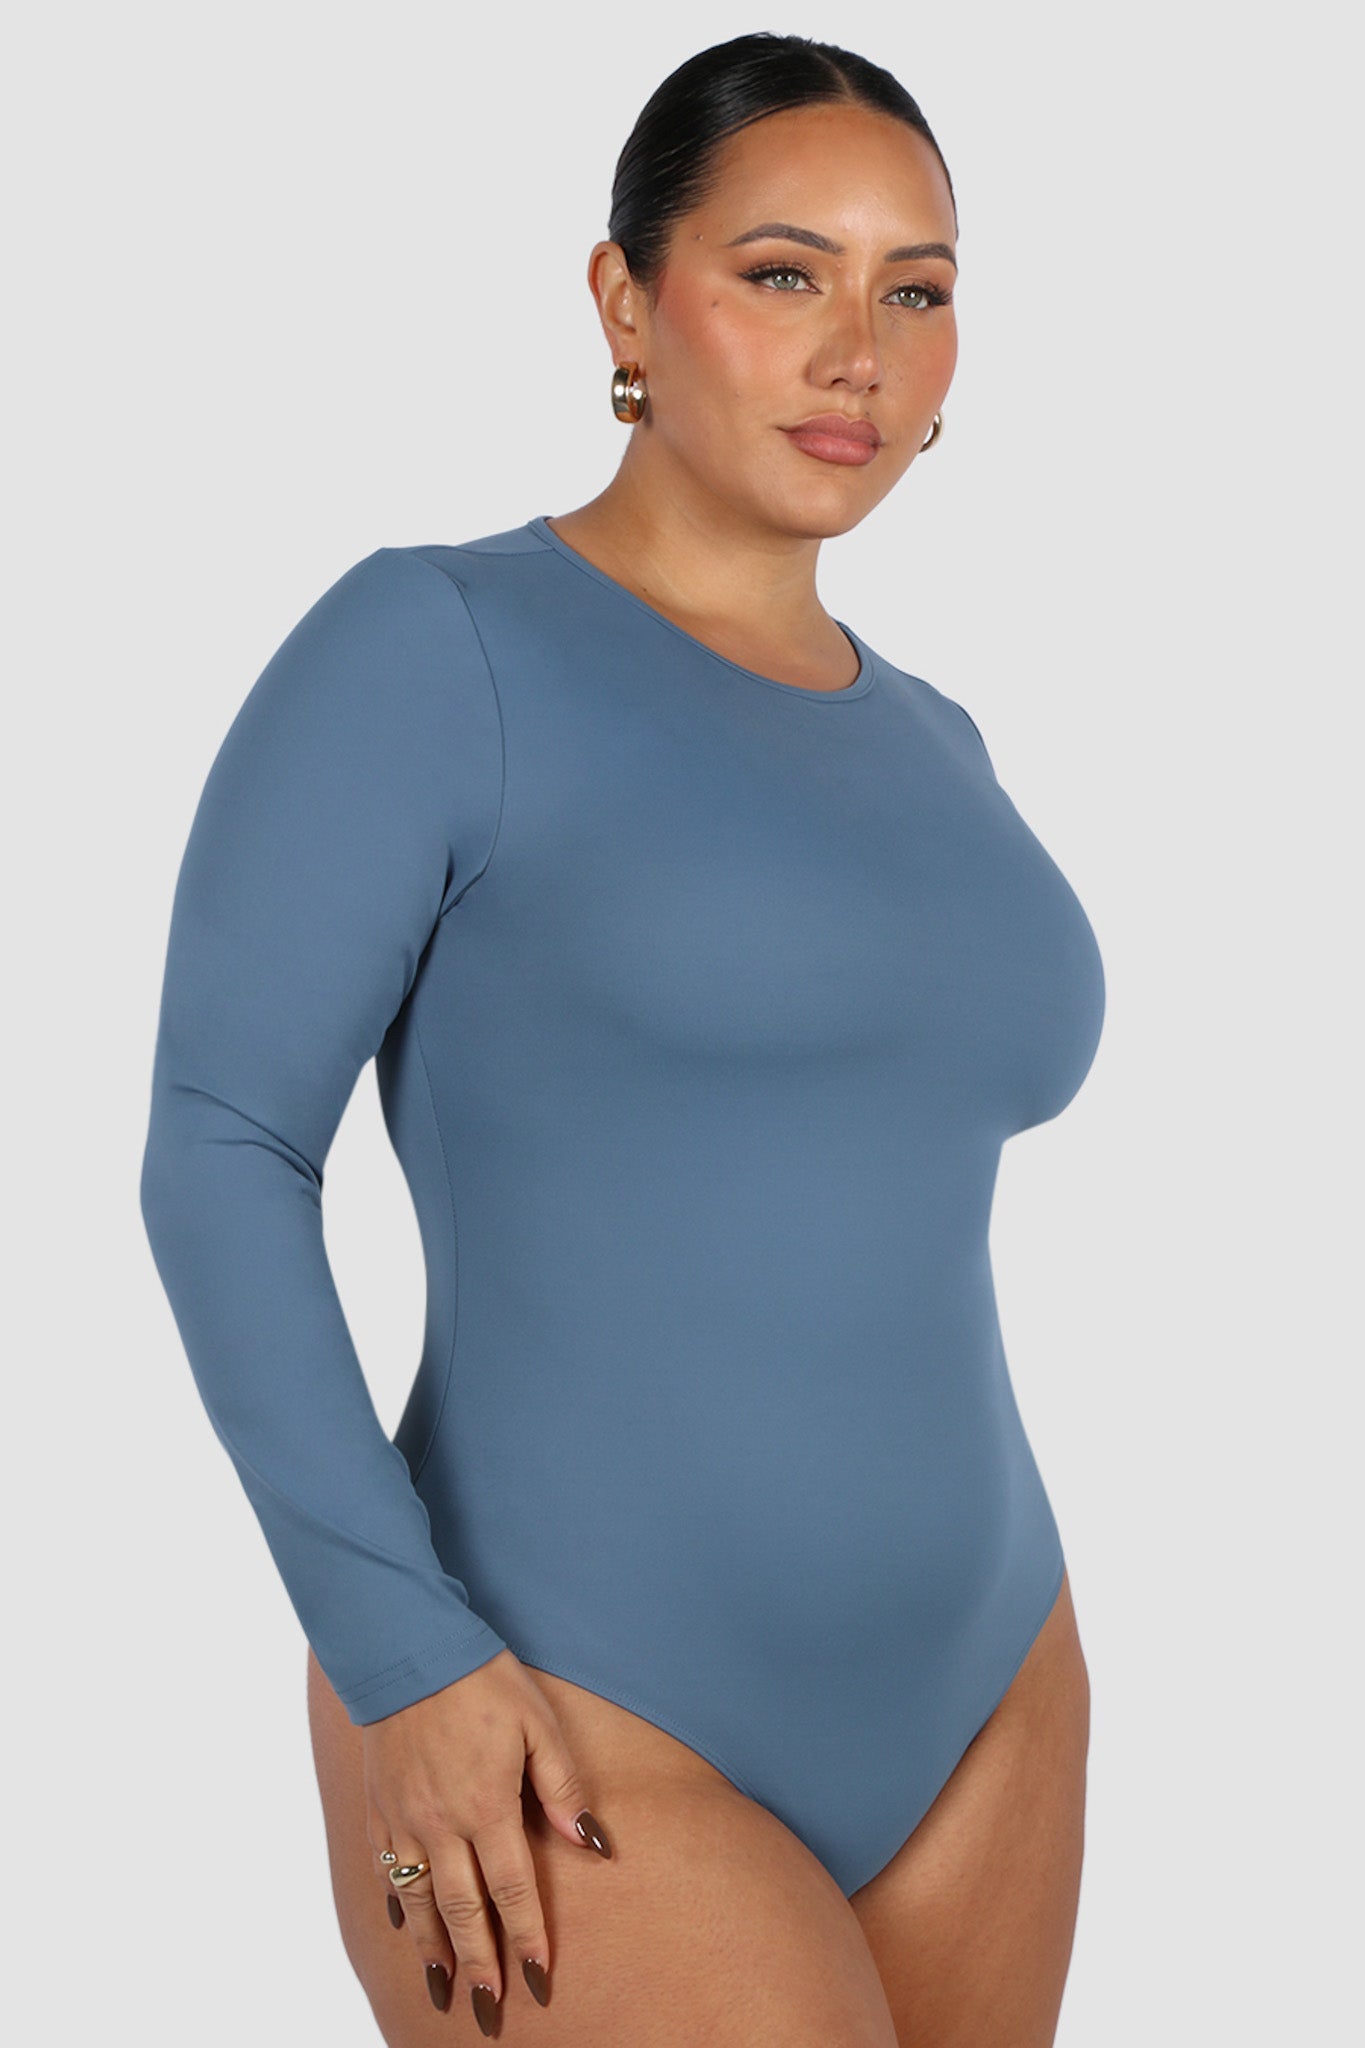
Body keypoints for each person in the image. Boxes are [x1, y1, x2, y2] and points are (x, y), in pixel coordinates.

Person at [139, 30, 1104, 2048]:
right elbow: (223, 1151)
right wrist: (399, 1659)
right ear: (623, 300)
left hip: (985, 1683)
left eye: (914, 289)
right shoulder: (433, 645)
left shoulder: (942, 744)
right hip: (557, 1705)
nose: (857, 350)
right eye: (782, 272)